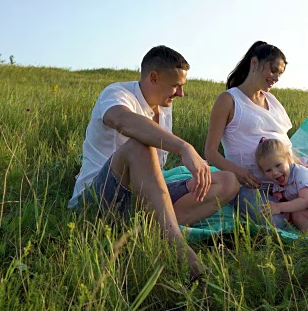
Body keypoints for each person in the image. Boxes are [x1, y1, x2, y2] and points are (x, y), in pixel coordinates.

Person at [68, 45, 239, 280]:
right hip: (99, 198)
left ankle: (151, 229)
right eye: (176, 86)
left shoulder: (164, 108)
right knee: (140, 145)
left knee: (228, 181)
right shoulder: (117, 94)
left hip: (142, 200)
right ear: (154, 77)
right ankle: (177, 246)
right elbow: (121, 120)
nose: (180, 93)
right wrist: (184, 147)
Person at [204, 41, 308, 227]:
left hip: (289, 177)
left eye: (280, 73)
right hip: (253, 184)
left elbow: (285, 145)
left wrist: (302, 167)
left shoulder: (272, 101)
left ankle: (302, 204)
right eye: (273, 70)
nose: (276, 77)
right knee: (277, 221)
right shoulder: (229, 100)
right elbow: (210, 152)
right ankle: (302, 209)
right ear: (254, 63)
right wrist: (239, 172)